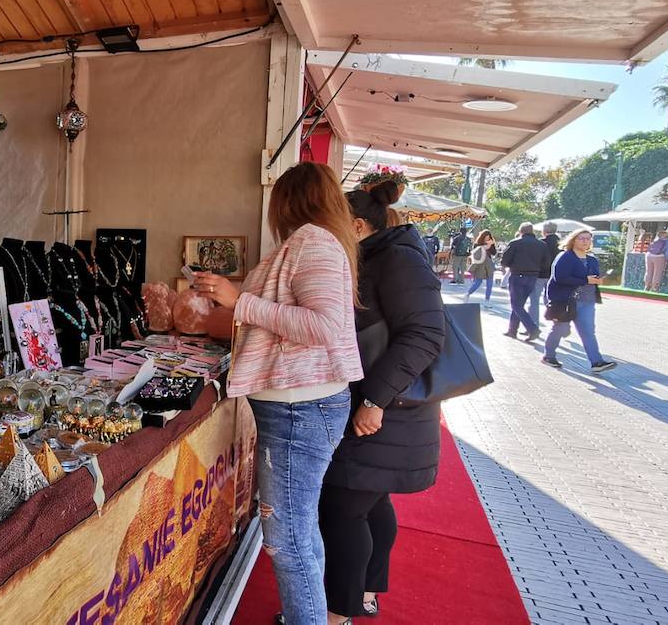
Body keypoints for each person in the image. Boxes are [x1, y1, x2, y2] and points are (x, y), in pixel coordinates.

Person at [194, 162, 363, 625]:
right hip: (298, 409)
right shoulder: (310, 244)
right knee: (299, 530)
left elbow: (324, 328)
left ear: (288, 201)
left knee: (287, 537)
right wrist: (235, 299)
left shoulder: (314, 243)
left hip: (300, 410)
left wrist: (240, 300)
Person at [319, 181, 445, 624]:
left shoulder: (397, 259)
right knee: (368, 503)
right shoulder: (382, 254)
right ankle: (366, 595)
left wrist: (374, 399)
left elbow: (426, 334)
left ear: (356, 225)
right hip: (387, 408)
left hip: (386, 409)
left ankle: (337, 613)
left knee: (342, 507)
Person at [543, 229, 616, 372]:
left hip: (587, 301)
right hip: (566, 300)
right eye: (581, 238)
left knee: (588, 331)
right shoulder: (565, 257)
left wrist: (598, 280)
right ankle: (548, 356)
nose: (585, 241)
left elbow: (593, 277)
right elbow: (560, 278)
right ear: (573, 240)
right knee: (560, 329)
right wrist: (585, 279)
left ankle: (597, 362)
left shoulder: (592, 259)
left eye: (588, 239)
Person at [500, 222, 553, 340]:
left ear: (521, 231)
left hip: (517, 275)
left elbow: (505, 260)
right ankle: (512, 330)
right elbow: (546, 262)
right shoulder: (541, 245)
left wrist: (512, 265)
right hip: (533, 276)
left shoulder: (515, 243)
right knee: (519, 304)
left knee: (516, 304)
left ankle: (532, 329)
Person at [532, 222, 559, 332]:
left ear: (544, 231)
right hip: (554, 276)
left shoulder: (540, 243)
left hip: (540, 274)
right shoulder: (561, 243)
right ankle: (557, 322)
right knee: (550, 300)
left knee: (534, 301)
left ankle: (533, 326)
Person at [463, 230, 496, 303]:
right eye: (486, 237)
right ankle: (468, 294)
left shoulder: (491, 243)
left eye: (488, 237)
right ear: (482, 237)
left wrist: (490, 245)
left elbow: (494, 252)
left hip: (489, 265)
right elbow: (475, 253)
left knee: (489, 284)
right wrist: (486, 246)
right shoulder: (477, 244)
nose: (487, 239)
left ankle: (487, 300)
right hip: (480, 265)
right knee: (478, 282)